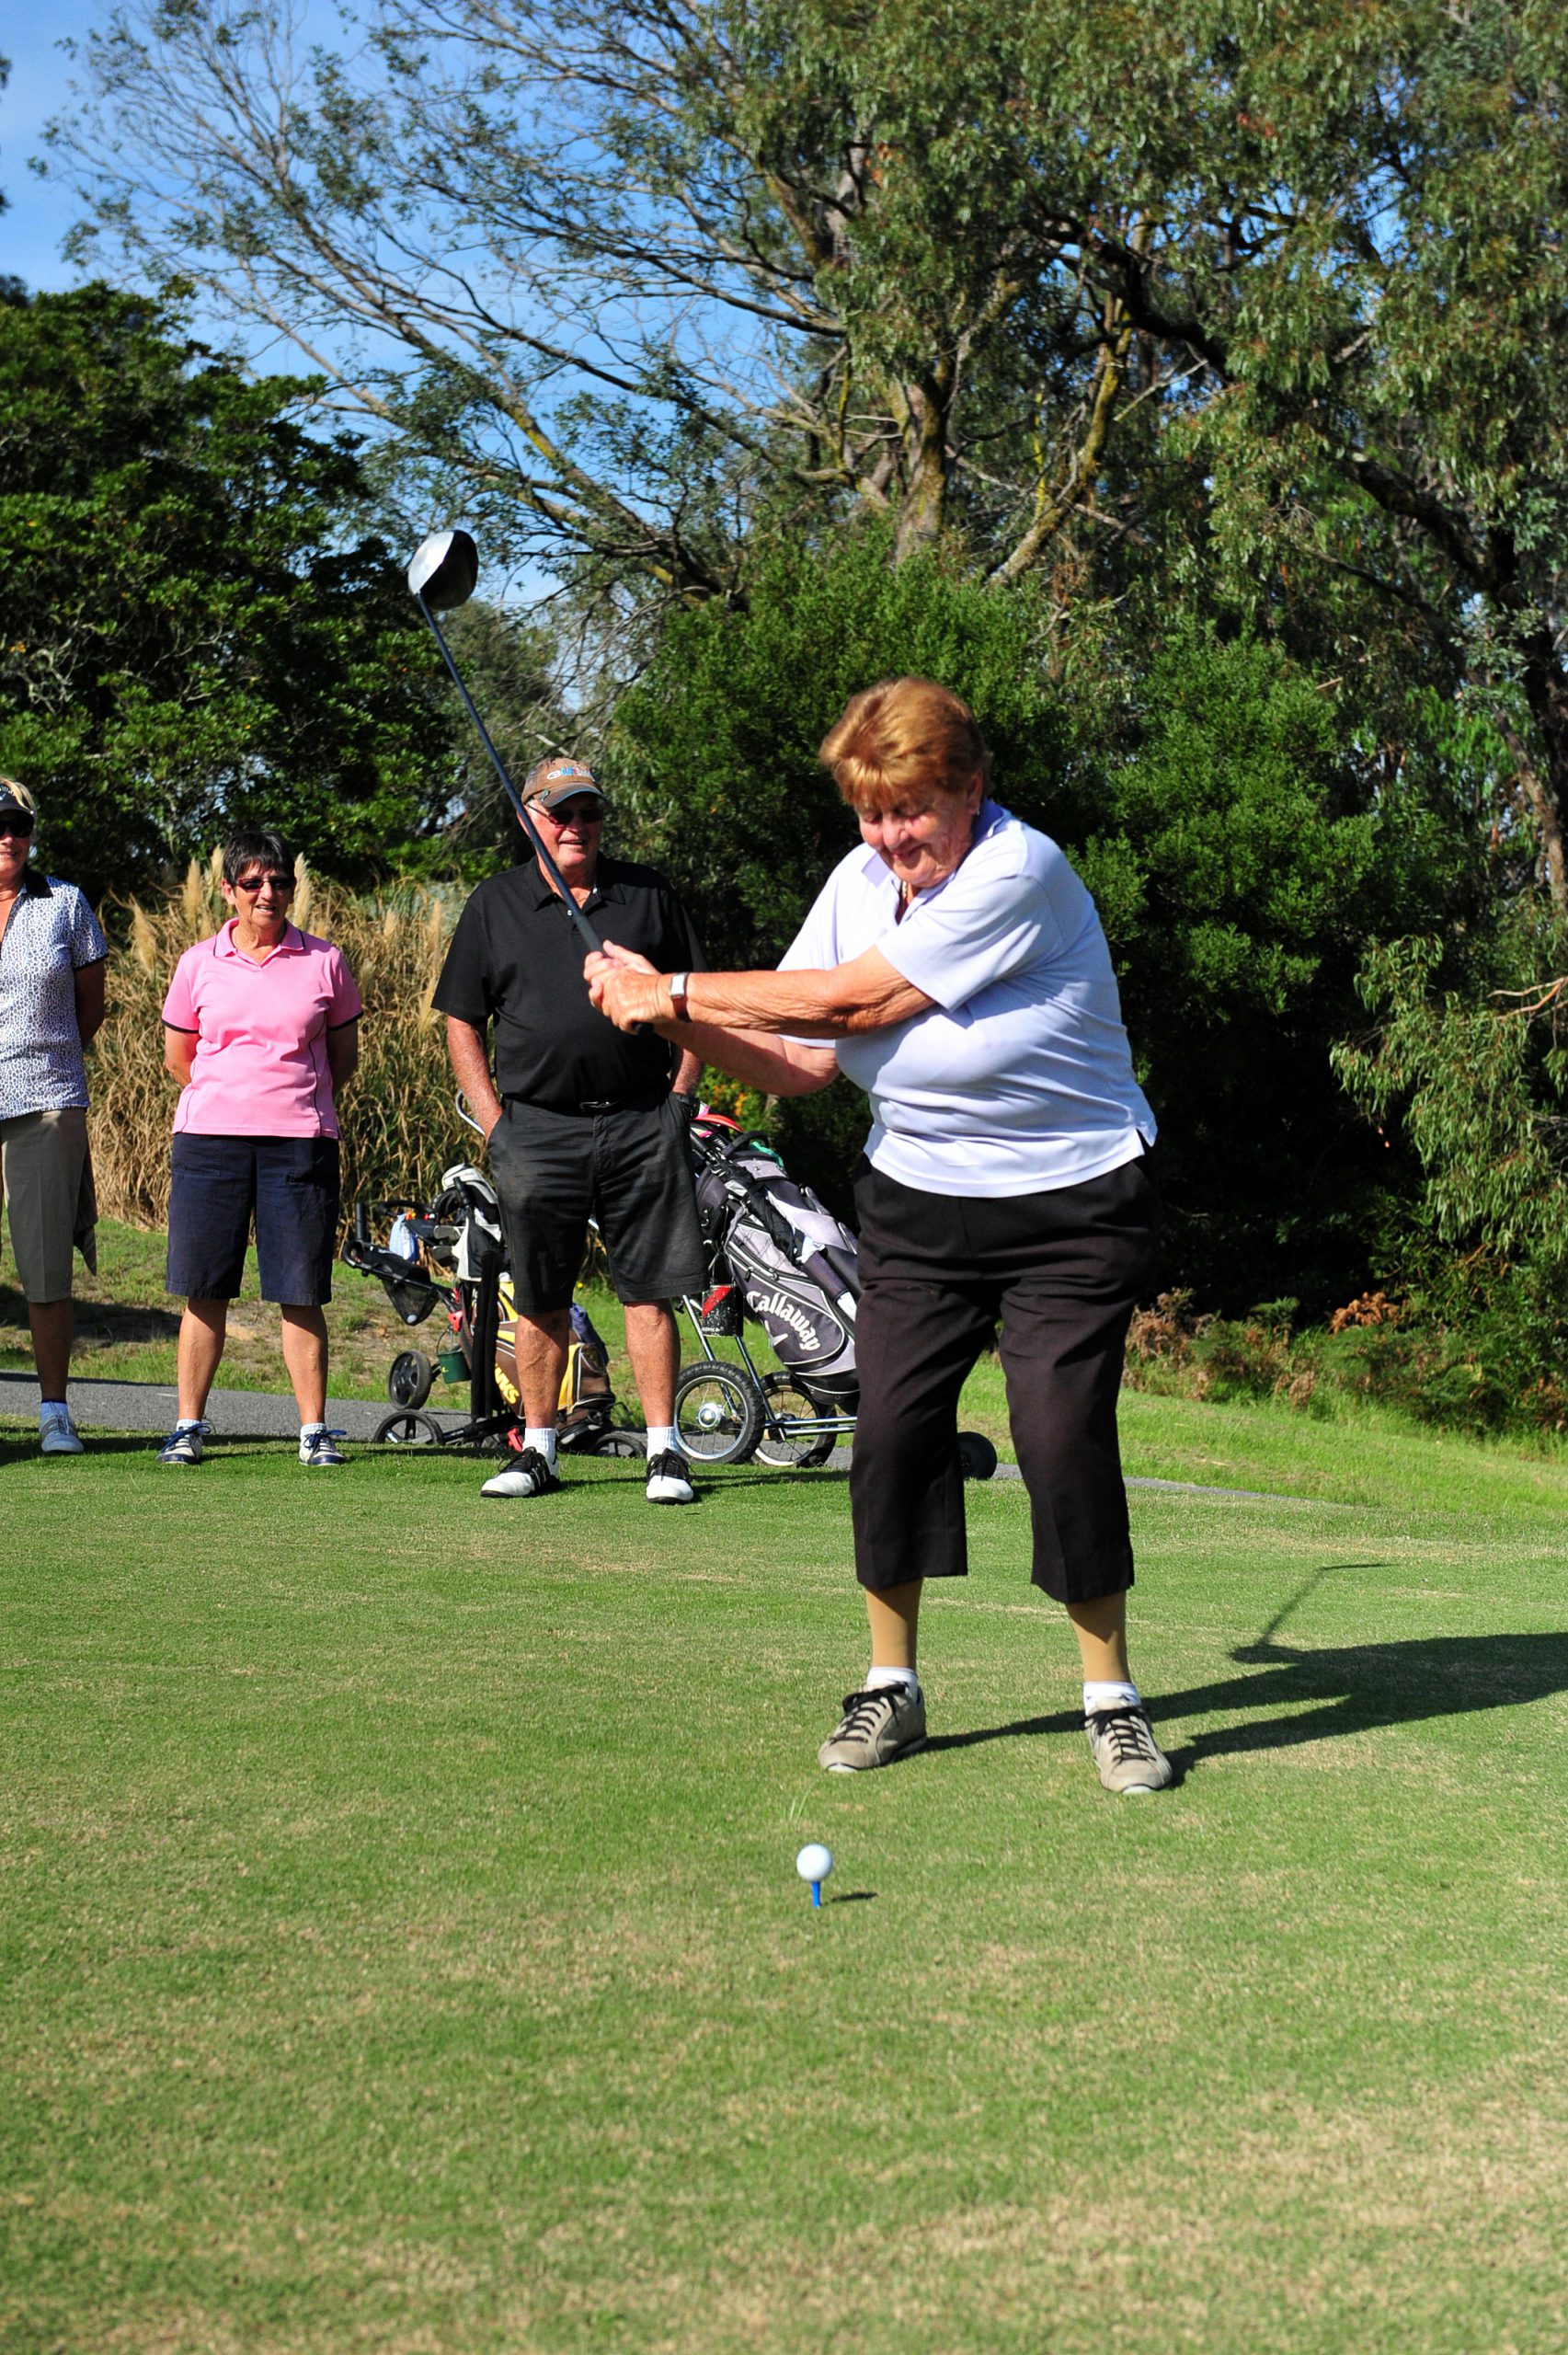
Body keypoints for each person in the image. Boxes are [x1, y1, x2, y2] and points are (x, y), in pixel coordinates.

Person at [588, 679, 1172, 1795]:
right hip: (917, 1200)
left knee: (1058, 1436)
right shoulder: (860, 884)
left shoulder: (1020, 871)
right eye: (869, 811)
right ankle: (890, 1684)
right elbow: (799, 1061)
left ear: (970, 788)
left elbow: (850, 1008)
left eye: (911, 809)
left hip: (1072, 1202)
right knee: (891, 1431)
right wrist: (671, 1018)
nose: (890, 836)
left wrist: (670, 986)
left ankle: (1112, 1697)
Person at [431, 755, 707, 1505]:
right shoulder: (494, 903)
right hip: (537, 1130)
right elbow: (462, 1019)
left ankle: (664, 1453)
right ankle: (539, 1449)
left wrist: (679, 1102)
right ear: (530, 820)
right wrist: (496, 1124)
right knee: (541, 1295)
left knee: (648, 1293)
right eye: (560, 814)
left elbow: (692, 1003)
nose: (576, 826)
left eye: (589, 812)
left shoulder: (647, 895)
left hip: (641, 1121)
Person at [157, 830, 362, 1468]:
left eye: (278, 882)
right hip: (209, 1144)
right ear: (228, 890)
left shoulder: (325, 961)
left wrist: (287, 1101)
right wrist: (230, 1099)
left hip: (299, 1145)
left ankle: (314, 1431)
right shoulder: (198, 963)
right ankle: (187, 1426)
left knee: (300, 1290)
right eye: (252, 882)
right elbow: (179, 1057)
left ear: (291, 889)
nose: (266, 893)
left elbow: (343, 1058)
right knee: (204, 1288)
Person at [0, 778, 108, 1455]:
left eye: (17, 825)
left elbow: (90, 1008)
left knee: (44, 1267)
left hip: (44, 1100)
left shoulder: (64, 903)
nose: (7, 837)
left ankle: (54, 1411)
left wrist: (48, 1057)